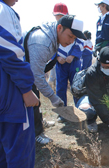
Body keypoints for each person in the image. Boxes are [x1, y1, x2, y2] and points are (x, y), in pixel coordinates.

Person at [0, 0, 39, 167]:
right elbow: (10, 53)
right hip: (10, 100)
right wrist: (26, 89)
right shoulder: (1, 10)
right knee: (20, 157)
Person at [25, 15, 86, 144]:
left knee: (35, 96)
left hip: (29, 70)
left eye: (74, 38)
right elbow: (37, 76)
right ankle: (36, 134)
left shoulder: (53, 36)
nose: (71, 41)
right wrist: (53, 97)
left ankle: (39, 123)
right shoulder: (42, 42)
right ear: (59, 28)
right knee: (31, 99)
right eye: (70, 36)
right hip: (16, 72)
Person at [48, 2, 69, 90]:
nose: (60, 18)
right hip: (57, 60)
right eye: (58, 15)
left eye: (62, 16)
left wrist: (71, 56)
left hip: (69, 61)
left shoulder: (71, 28)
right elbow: (51, 46)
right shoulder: (52, 29)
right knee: (54, 79)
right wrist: (56, 57)